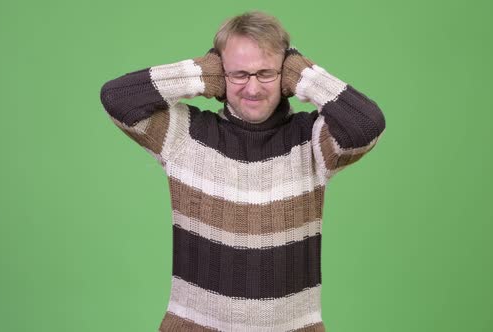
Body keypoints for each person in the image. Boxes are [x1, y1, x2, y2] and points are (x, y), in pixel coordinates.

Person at [100, 11, 385, 332]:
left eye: (266, 73)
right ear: (220, 74)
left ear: (286, 77)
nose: (252, 88)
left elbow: (366, 125)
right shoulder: (184, 136)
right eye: (238, 74)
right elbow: (117, 98)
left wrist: (302, 73)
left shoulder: (312, 141)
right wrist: (203, 73)